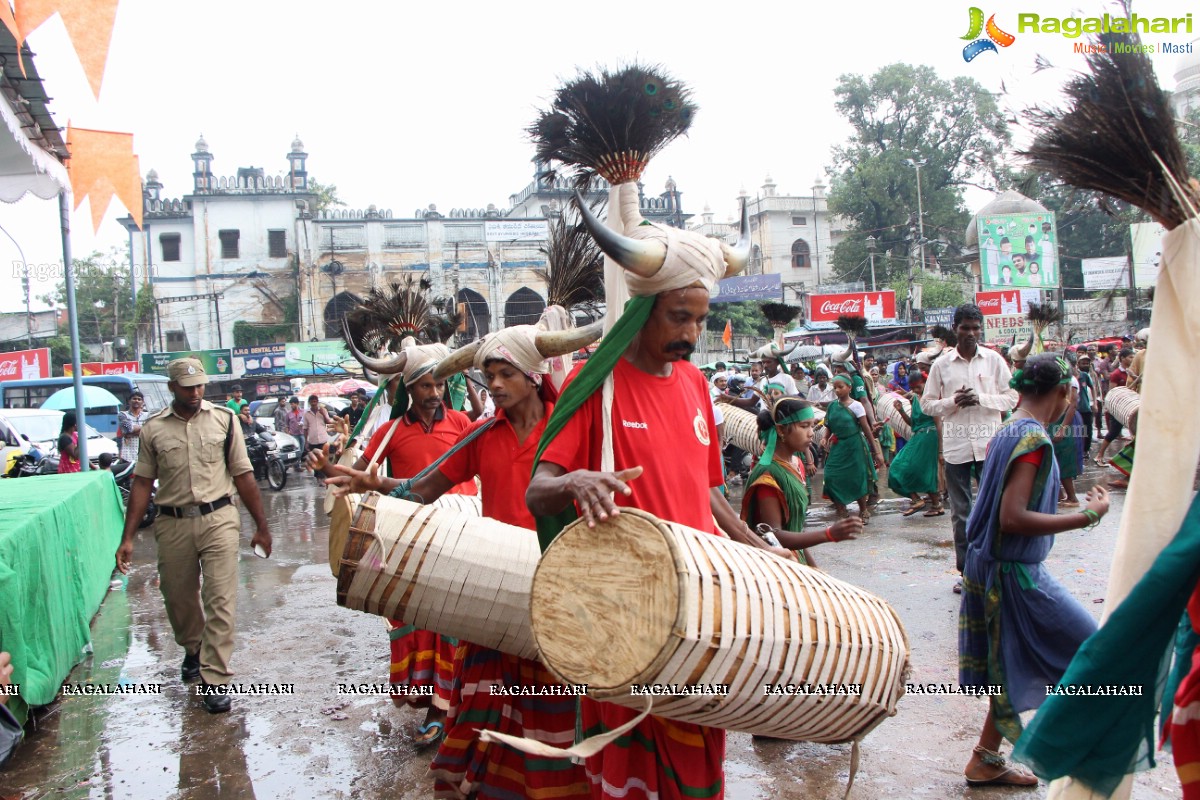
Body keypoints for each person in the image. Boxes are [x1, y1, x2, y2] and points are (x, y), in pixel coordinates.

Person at [526, 185, 777, 800]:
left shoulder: (694, 382)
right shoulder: (597, 381)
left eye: (700, 317)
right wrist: (575, 480)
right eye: (679, 316)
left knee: (701, 753)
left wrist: (755, 545)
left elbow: (708, 491)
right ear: (643, 311)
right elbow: (538, 493)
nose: (693, 332)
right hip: (627, 608)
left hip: (701, 602)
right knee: (631, 762)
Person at [328, 323, 597, 800]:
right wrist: (372, 486)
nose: (493, 384)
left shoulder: (571, 424)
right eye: (488, 374)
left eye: (505, 373)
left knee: (554, 709)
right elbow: (423, 488)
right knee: (481, 704)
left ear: (534, 376)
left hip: (557, 587)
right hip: (495, 591)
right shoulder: (482, 433)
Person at [311, 339, 474, 746]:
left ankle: (444, 709)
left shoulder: (463, 426)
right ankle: (432, 699)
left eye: (439, 384)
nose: (434, 393)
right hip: (412, 537)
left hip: (460, 535)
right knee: (413, 619)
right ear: (408, 390)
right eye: (424, 386)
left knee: (453, 623)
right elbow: (359, 477)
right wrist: (325, 469)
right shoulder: (390, 431)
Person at [958, 354, 1109, 786]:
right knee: (1092, 652)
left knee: (1011, 666)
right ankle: (1078, 748)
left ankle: (985, 760)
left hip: (996, 566)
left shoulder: (1010, 428)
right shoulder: (1032, 442)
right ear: (1062, 393)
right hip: (1013, 574)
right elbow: (1012, 517)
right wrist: (1088, 516)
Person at [114, 357, 272, 714]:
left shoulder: (224, 420)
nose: (196, 392)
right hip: (172, 524)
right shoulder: (154, 429)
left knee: (220, 598)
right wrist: (127, 538)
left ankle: (214, 678)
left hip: (219, 519)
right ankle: (194, 648)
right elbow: (141, 483)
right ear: (172, 388)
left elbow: (244, 475)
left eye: (200, 385)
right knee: (178, 596)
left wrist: (262, 526)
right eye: (188, 387)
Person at [923, 304, 1018, 594]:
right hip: (957, 446)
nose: (971, 333)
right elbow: (927, 404)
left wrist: (982, 399)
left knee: (995, 509)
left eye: (976, 327)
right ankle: (967, 574)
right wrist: (953, 402)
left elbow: (1012, 397)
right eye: (965, 327)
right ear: (956, 328)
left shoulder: (993, 360)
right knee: (961, 513)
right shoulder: (941, 365)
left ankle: (996, 570)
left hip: (990, 445)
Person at [741, 397, 862, 567]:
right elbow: (772, 535)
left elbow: (796, 530)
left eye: (812, 425)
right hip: (779, 563)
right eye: (804, 426)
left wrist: (814, 570)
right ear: (781, 430)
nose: (811, 432)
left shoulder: (796, 463)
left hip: (796, 559)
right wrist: (828, 534)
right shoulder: (768, 474)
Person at [823, 374, 884, 522]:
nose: (837, 390)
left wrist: (877, 452)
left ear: (849, 388)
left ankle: (863, 510)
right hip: (838, 446)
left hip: (855, 445)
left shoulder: (857, 406)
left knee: (858, 478)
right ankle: (841, 509)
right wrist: (825, 438)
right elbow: (828, 426)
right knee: (830, 476)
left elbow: (866, 429)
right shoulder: (832, 406)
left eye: (840, 387)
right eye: (835, 387)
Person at [887, 370, 942, 517]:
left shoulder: (932, 399)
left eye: (919, 387)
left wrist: (941, 450)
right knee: (897, 467)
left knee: (924, 471)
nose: (917, 390)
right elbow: (913, 424)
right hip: (918, 437)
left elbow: (939, 425)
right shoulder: (916, 399)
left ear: (926, 383)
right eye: (914, 388)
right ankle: (918, 500)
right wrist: (901, 411)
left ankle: (936, 505)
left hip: (930, 437)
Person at [1095, 348, 1135, 466]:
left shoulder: (1131, 373)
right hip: (1118, 408)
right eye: (1130, 357)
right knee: (1113, 432)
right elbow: (1113, 392)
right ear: (1122, 358)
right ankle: (1099, 455)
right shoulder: (1116, 374)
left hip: (1130, 407)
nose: (1132, 359)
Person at [1051, 370, 1083, 506]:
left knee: (1064, 459)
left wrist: (1063, 428)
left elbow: (1072, 405)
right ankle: (1059, 495)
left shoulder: (1071, 381)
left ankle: (1072, 497)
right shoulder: (1052, 378)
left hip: (1066, 421)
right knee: (1053, 459)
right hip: (1054, 420)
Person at [301, 395, 332, 477]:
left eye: (315, 401)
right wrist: (306, 441)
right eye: (312, 401)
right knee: (315, 459)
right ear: (309, 403)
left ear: (317, 402)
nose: (314, 403)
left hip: (323, 439)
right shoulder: (306, 414)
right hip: (313, 440)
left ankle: (323, 476)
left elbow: (328, 422)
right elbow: (305, 428)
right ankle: (318, 477)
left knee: (323, 458)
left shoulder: (323, 411)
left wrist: (324, 414)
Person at [1075, 353, 1098, 457]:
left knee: (1088, 430)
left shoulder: (1085, 376)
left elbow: (1093, 388)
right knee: (1077, 431)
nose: (1085, 365)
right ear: (1077, 364)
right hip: (1075, 409)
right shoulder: (1071, 376)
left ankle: (1086, 450)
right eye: (1083, 363)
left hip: (1085, 407)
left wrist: (1095, 403)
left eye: (1087, 363)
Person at [117, 391, 149, 463]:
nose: (136, 401)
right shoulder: (123, 415)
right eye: (134, 399)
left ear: (142, 402)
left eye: (139, 399)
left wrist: (131, 434)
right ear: (129, 401)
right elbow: (128, 429)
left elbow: (150, 430)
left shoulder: (147, 415)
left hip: (144, 454)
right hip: (128, 456)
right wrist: (144, 426)